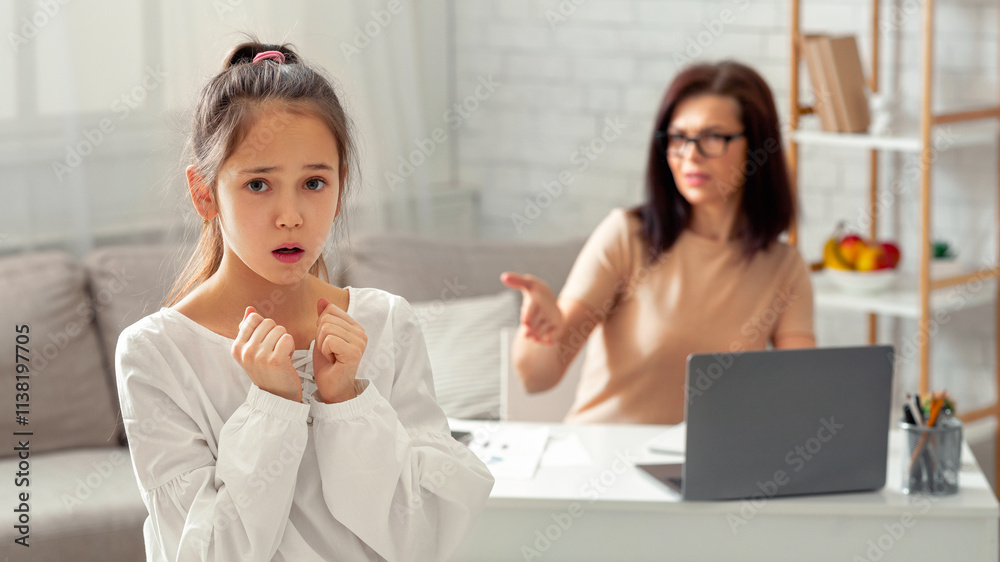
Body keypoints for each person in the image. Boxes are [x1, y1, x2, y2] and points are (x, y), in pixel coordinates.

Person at [115, 40, 494, 562]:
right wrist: (273, 408)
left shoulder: (386, 323)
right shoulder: (155, 354)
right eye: (259, 184)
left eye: (314, 182)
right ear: (204, 193)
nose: (290, 214)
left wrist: (348, 402)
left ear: (341, 189)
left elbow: (423, 540)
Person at [501, 61, 815, 426]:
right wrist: (540, 334)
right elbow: (538, 378)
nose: (690, 155)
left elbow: (801, 394)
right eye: (678, 138)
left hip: (704, 470)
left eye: (713, 138)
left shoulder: (784, 267)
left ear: (757, 146)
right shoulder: (626, 236)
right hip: (600, 462)